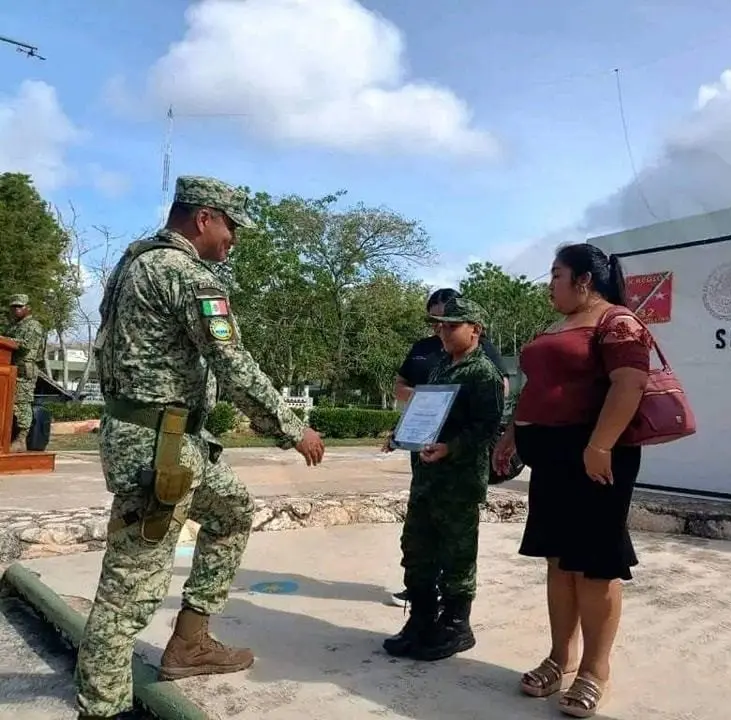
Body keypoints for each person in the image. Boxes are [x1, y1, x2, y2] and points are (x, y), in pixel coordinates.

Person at [74, 176, 326, 720]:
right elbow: (232, 365)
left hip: (170, 440)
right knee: (130, 588)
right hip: (160, 450)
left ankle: (190, 641)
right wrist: (292, 429)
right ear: (205, 217)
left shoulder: (133, 263)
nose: (234, 239)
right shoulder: (187, 275)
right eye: (232, 226)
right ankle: (102, 707)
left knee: (233, 512)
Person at [492, 243, 652, 718]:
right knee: (559, 561)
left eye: (556, 274)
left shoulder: (618, 321)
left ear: (583, 279)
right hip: (552, 461)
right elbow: (536, 390)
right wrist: (511, 436)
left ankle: (594, 669)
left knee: (597, 564)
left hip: (597, 458)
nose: (550, 284)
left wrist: (600, 445)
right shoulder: (556, 327)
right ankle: (559, 657)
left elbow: (630, 384)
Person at [381, 296, 505, 661]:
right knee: (416, 550)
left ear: (475, 330)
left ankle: (455, 625)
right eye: (441, 325)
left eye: (452, 326)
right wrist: (400, 433)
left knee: (456, 555)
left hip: (458, 483)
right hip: (426, 481)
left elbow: (486, 428)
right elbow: (424, 411)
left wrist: (451, 448)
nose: (443, 331)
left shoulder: (483, 373)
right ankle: (420, 621)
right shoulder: (439, 367)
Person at [4, 294, 44, 452]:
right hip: (9, 370)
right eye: (13, 307)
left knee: (22, 403)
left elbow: (26, 345)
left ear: (28, 308)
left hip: (23, 371)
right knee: (8, 404)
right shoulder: (14, 326)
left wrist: (5, 339)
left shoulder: (33, 325)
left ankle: (21, 439)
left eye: (19, 306)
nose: (16, 309)